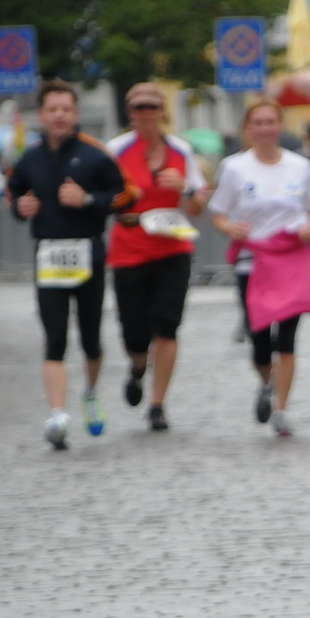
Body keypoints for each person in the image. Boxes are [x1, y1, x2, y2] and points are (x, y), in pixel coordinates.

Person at [6, 80, 126, 449]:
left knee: (90, 338)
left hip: (87, 252)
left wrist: (88, 199)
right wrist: (20, 209)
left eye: (66, 109)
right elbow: (15, 195)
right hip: (49, 256)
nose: (59, 115)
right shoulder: (30, 158)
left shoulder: (96, 155)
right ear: (41, 115)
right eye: (52, 109)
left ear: (76, 114)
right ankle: (58, 414)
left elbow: (124, 196)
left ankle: (90, 392)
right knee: (54, 337)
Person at [209, 101, 310, 437]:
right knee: (259, 341)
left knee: (286, 339)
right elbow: (218, 213)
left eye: (271, 121)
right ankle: (265, 381)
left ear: (280, 125)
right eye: (257, 122)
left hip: (292, 260)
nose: (264, 128)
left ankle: (282, 409)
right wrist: (230, 228)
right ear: (248, 128)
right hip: (253, 263)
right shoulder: (234, 168)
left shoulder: (300, 167)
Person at [107, 82, 210, 431]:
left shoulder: (180, 150)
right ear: (130, 113)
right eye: (139, 108)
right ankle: (137, 366)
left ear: (163, 112)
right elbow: (102, 198)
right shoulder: (116, 150)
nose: (146, 115)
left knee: (167, 326)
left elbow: (198, 205)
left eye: (152, 107)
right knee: (134, 333)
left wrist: (185, 188)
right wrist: (122, 197)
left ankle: (157, 403)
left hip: (172, 247)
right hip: (129, 248)